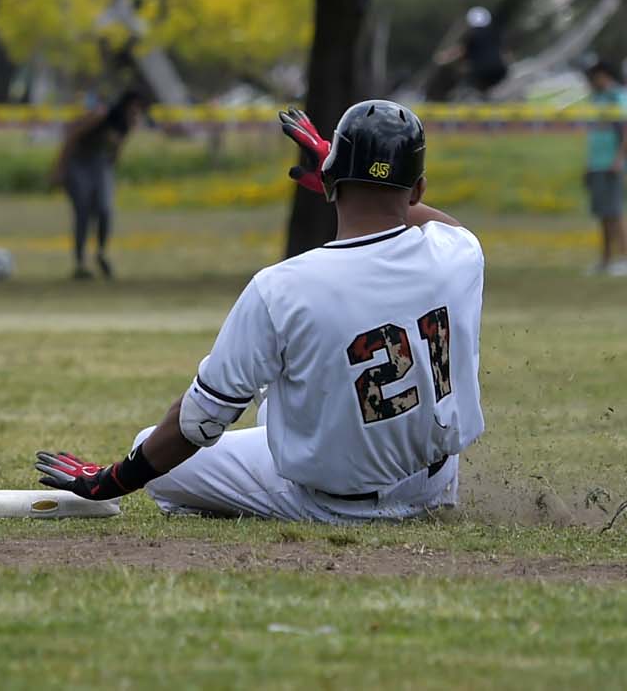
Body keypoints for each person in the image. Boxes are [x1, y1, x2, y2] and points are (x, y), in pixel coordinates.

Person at [35, 100, 485, 523]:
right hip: (434, 488)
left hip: (335, 503)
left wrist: (113, 480)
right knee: (278, 405)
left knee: (160, 451)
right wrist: (355, 174)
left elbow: (200, 420)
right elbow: (442, 224)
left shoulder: (282, 286)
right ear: (419, 190)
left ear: (329, 183)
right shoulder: (460, 254)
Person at [52, 89, 147, 279]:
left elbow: (115, 154)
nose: (135, 113)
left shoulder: (126, 125)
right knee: (83, 211)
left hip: (100, 164)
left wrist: (112, 164)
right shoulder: (101, 115)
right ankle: (80, 263)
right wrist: (60, 168)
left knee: (105, 209)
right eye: (133, 109)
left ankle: (101, 253)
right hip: (78, 162)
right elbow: (72, 138)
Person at [583, 59, 627, 276]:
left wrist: (619, 159)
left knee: (616, 213)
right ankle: (606, 260)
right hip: (596, 163)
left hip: (612, 164)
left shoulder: (617, 96)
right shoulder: (597, 98)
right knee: (602, 214)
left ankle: (625, 259)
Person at [429, 6, 508, 100]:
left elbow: (460, 51)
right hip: (500, 70)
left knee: (461, 74)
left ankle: (457, 98)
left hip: (481, 70)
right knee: (485, 88)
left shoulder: (472, 34)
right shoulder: (494, 33)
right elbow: (504, 53)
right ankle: (485, 98)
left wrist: (444, 57)